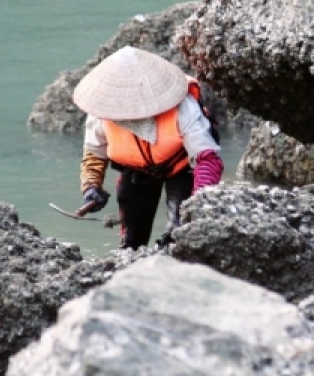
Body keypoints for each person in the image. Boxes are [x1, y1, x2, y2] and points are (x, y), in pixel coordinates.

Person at [72, 46, 224, 249]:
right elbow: (94, 153)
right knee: (131, 244)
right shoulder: (102, 111)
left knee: (181, 237)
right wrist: (91, 187)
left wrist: (199, 201)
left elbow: (207, 158)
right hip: (136, 171)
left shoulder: (182, 106)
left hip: (182, 166)